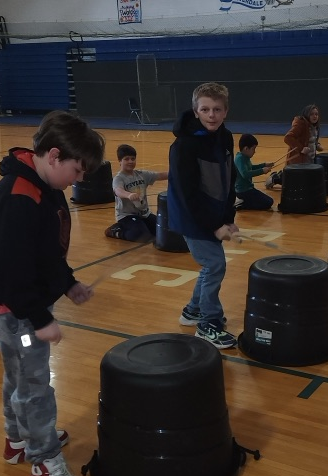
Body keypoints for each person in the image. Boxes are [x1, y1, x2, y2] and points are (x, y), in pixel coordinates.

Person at [0, 112, 105, 476]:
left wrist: (67, 283)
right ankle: (45, 467)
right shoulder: (20, 197)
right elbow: (12, 272)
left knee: (18, 373)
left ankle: (18, 441)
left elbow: (45, 251)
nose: (78, 180)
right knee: (34, 383)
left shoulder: (46, 186)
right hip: (10, 307)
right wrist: (39, 320)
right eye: (77, 170)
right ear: (54, 156)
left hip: (16, 302)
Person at [167, 81, 239, 350]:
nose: (212, 115)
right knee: (215, 265)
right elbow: (188, 195)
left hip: (215, 214)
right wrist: (213, 226)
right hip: (192, 217)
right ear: (195, 111)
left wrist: (228, 217)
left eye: (217, 109)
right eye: (205, 109)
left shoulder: (226, 136)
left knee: (210, 266)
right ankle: (208, 323)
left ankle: (192, 310)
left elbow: (229, 178)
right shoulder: (184, 146)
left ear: (226, 111)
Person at [105, 143, 168, 241]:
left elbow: (160, 175)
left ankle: (142, 226)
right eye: (126, 159)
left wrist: (177, 173)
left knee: (162, 230)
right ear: (120, 161)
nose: (130, 161)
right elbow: (118, 191)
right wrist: (129, 195)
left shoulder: (141, 174)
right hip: (127, 215)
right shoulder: (119, 178)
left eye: (133, 159)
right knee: (140, 235)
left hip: (144, 214)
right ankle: (116, 230)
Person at [266, 104, 323, 189]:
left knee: (305, 180)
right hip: (299, 159)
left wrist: (317, 145)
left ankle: (282, 176)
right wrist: (301, 148)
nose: (315, 116)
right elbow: (288, 138)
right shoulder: (301, 124)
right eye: (312, 114)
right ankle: (275, 178)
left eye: (316, 114)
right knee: (296, 181)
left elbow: (310, 139)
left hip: (309, 158)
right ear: (307, 114)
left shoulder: (314, 126)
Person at [234, 134, 274, 210]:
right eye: (253, 149)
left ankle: (244, 202)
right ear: (246, 148)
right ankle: (242, 205)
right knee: (268, 202)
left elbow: (251, 167)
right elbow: (245, 174)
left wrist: (264, 165)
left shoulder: (245, 157)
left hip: (249, 189)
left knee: (269, 201)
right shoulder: (240, 158)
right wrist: (262, 170)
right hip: (243, 191)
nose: (254, 152)